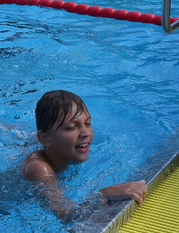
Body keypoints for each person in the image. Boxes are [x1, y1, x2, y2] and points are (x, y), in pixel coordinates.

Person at [20, 90, 148, 220]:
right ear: (45, 139)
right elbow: (66, 215)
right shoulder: (39, 169)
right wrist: (103, 194)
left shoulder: (68, 150)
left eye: (88, 123)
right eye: (71, 127)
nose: (85, 133)